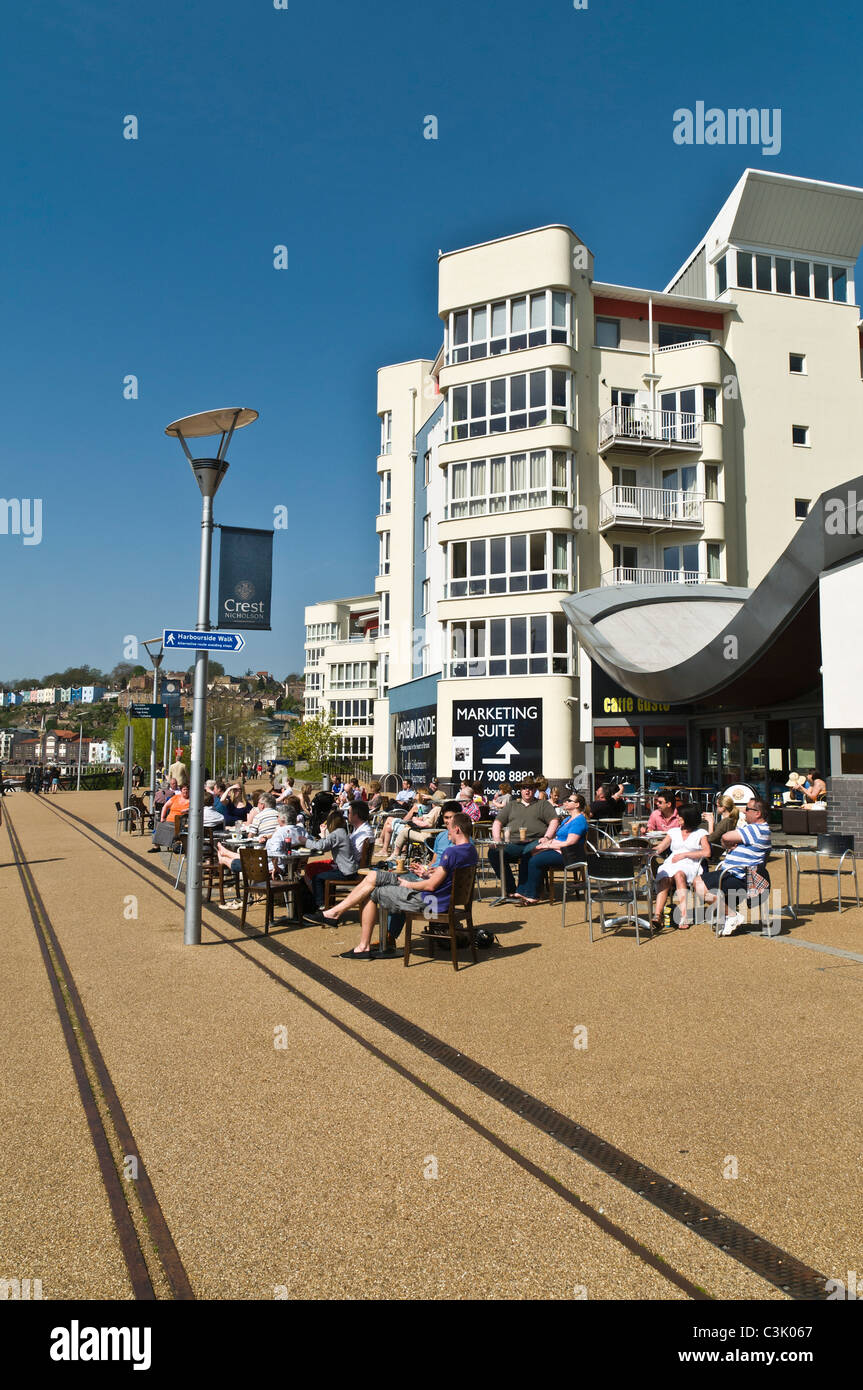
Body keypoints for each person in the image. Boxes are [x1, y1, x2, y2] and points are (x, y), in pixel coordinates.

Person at [320, 811, 479, 957]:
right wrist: (427, 873)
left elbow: (430, 886)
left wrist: (407, 885)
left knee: (372, 891)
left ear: (457, 829)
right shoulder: (471, 851)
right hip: (442, 899)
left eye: (450, 828)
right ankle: (334, 913)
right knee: (375, 876)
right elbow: (449, 876)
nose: (447, 831)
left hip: (430, 902)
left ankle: (363, 946)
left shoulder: (451, 852)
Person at [703, 798, 772, 936]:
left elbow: (725, 836)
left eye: (747, 809)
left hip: (739, 876)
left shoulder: (757, 829)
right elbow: (726, 839)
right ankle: (729, 916)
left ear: (757, 813)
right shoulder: (752, 829)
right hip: (733, 873)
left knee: (699, 884)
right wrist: (727, 841)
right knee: (702, 885)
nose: (744, 812)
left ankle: (732, 915)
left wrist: (727, 841)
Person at [490, 779, 560, 898]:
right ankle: (510, 888)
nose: (527, 790)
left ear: (535, 790)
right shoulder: (512, 805)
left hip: (535, 841)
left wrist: (547, 837)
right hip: (513, 843)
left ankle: (524, 891)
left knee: (528, 852)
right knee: (494, 852)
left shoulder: (543, 804)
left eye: (530, 788)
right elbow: (497, 822)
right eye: (524, 788)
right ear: (520, 790)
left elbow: (554, 821)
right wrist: (497, 838)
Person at [514, 794, 589, 903]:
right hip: (558, 850)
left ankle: (533, 895)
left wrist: (548, 845)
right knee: (527, 855)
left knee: (535, 860)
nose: (565, 802)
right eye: (565, 800)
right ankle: (522, 890)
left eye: (569, 800)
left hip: (569, 854)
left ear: (577, 804)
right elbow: (559, 837)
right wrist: (546, 841)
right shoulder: (567, 819)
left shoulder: (579, 821)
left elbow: (569, 843)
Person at [650, 804, 714, 931]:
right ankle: (658, 915)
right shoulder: (673, 832)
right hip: (672, 862)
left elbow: (707, 853)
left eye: (680, 815)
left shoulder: (701, 833)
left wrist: (685, 854)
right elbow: (660, 848)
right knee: (664, 876)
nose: (677, 817)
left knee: (679, 874)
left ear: (688, 817)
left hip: (691, 863)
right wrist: (645, 850)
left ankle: (684, 915)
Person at [301, 808, 362, 919]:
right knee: (321, 875)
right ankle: (323, 903)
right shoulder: (342, 832)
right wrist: (323, 834)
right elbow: (325, 845)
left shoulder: (337, 834)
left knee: (317, 878)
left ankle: (321, 906)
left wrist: (305, 841)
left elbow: (321, 846)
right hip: (349, 870)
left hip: (346, 872)